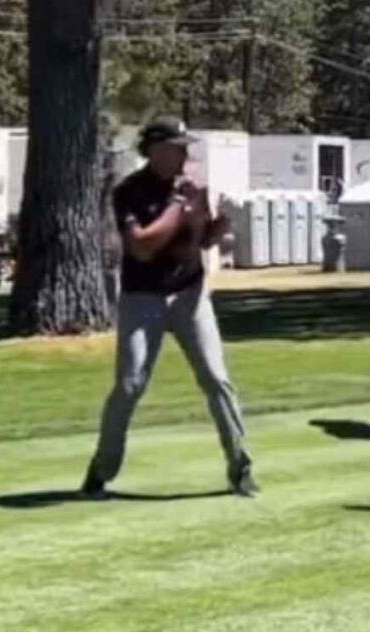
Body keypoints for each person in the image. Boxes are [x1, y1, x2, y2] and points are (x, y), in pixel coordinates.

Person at [81, 116, 257, 499]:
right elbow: (142, 247)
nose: (184, 155)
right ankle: (101, 469)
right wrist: (180, 205)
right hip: (142, 298)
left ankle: (240, 467)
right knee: (130, 384)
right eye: (178, 148)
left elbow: (202, 240)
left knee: (216, 379)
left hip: (190, 296)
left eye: (185, 148)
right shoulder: (129, 191)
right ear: (156, 150)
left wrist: (221, 223)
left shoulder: (192, 189)